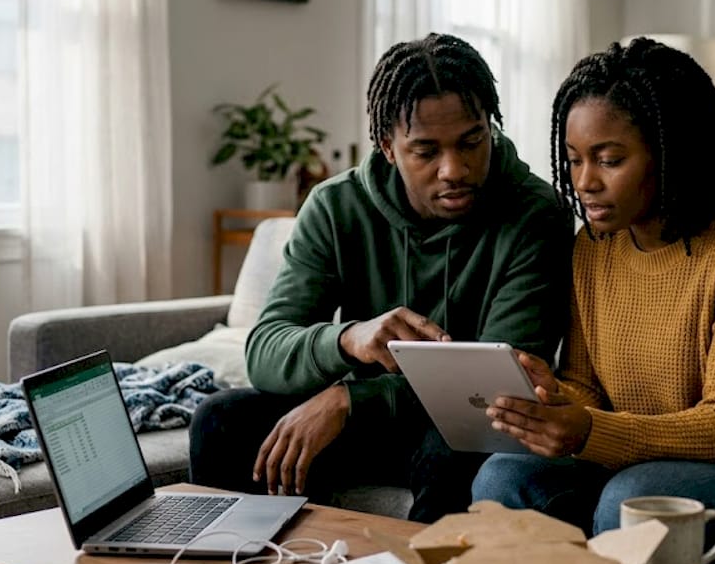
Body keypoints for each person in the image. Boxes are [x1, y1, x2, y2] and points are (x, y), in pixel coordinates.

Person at [470, 37, 715, 544]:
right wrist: (551, 397)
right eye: (575, 159)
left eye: (608, 159)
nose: (584, 181)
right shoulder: (594, 246)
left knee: (635, 500)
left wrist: (590, 433)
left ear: (670, 152)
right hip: (651, 459)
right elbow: (588, 388)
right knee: (502, 476)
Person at [189, 33, 573, 523]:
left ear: (490, 127)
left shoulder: (535, 215)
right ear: (387, 146)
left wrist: (349, 400)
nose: (454, 169)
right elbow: (264, 350)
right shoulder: (335, 207)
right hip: (380, 420)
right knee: (220, 422)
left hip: (460, 424)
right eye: (426, 151)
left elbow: (497, 388)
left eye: (472, 141)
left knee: (457, 448)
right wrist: (348, 339)